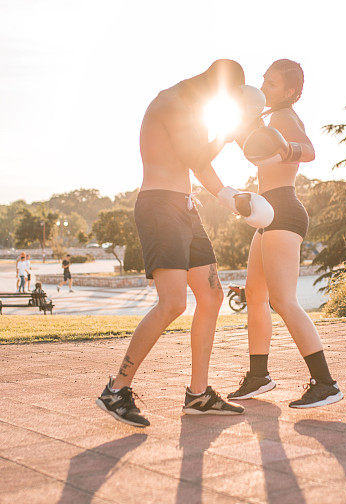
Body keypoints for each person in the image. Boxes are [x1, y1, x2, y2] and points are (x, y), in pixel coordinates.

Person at [96, 59, 255, 427]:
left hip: (186, 208)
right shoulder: (170, 104)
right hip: (159, 208)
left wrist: (231, 199)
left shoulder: (193, 109)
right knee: (172, 303)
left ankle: (198, 395)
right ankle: (116, 389)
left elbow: (199, 167)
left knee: (212, 295)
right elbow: (196, 156)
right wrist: (230, 132)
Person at [228, 59, 343, 408]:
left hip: (283, 209)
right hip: (268, 211)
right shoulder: (268, 120)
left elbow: (308, 150)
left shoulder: (284, 117)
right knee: (255, 294)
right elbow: (255, 151)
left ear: (291, 91)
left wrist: (286, 148)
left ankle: (325, 383)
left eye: (273, 84)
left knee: (282, 300)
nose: (264, 87)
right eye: (264, 80)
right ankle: (259, 375)